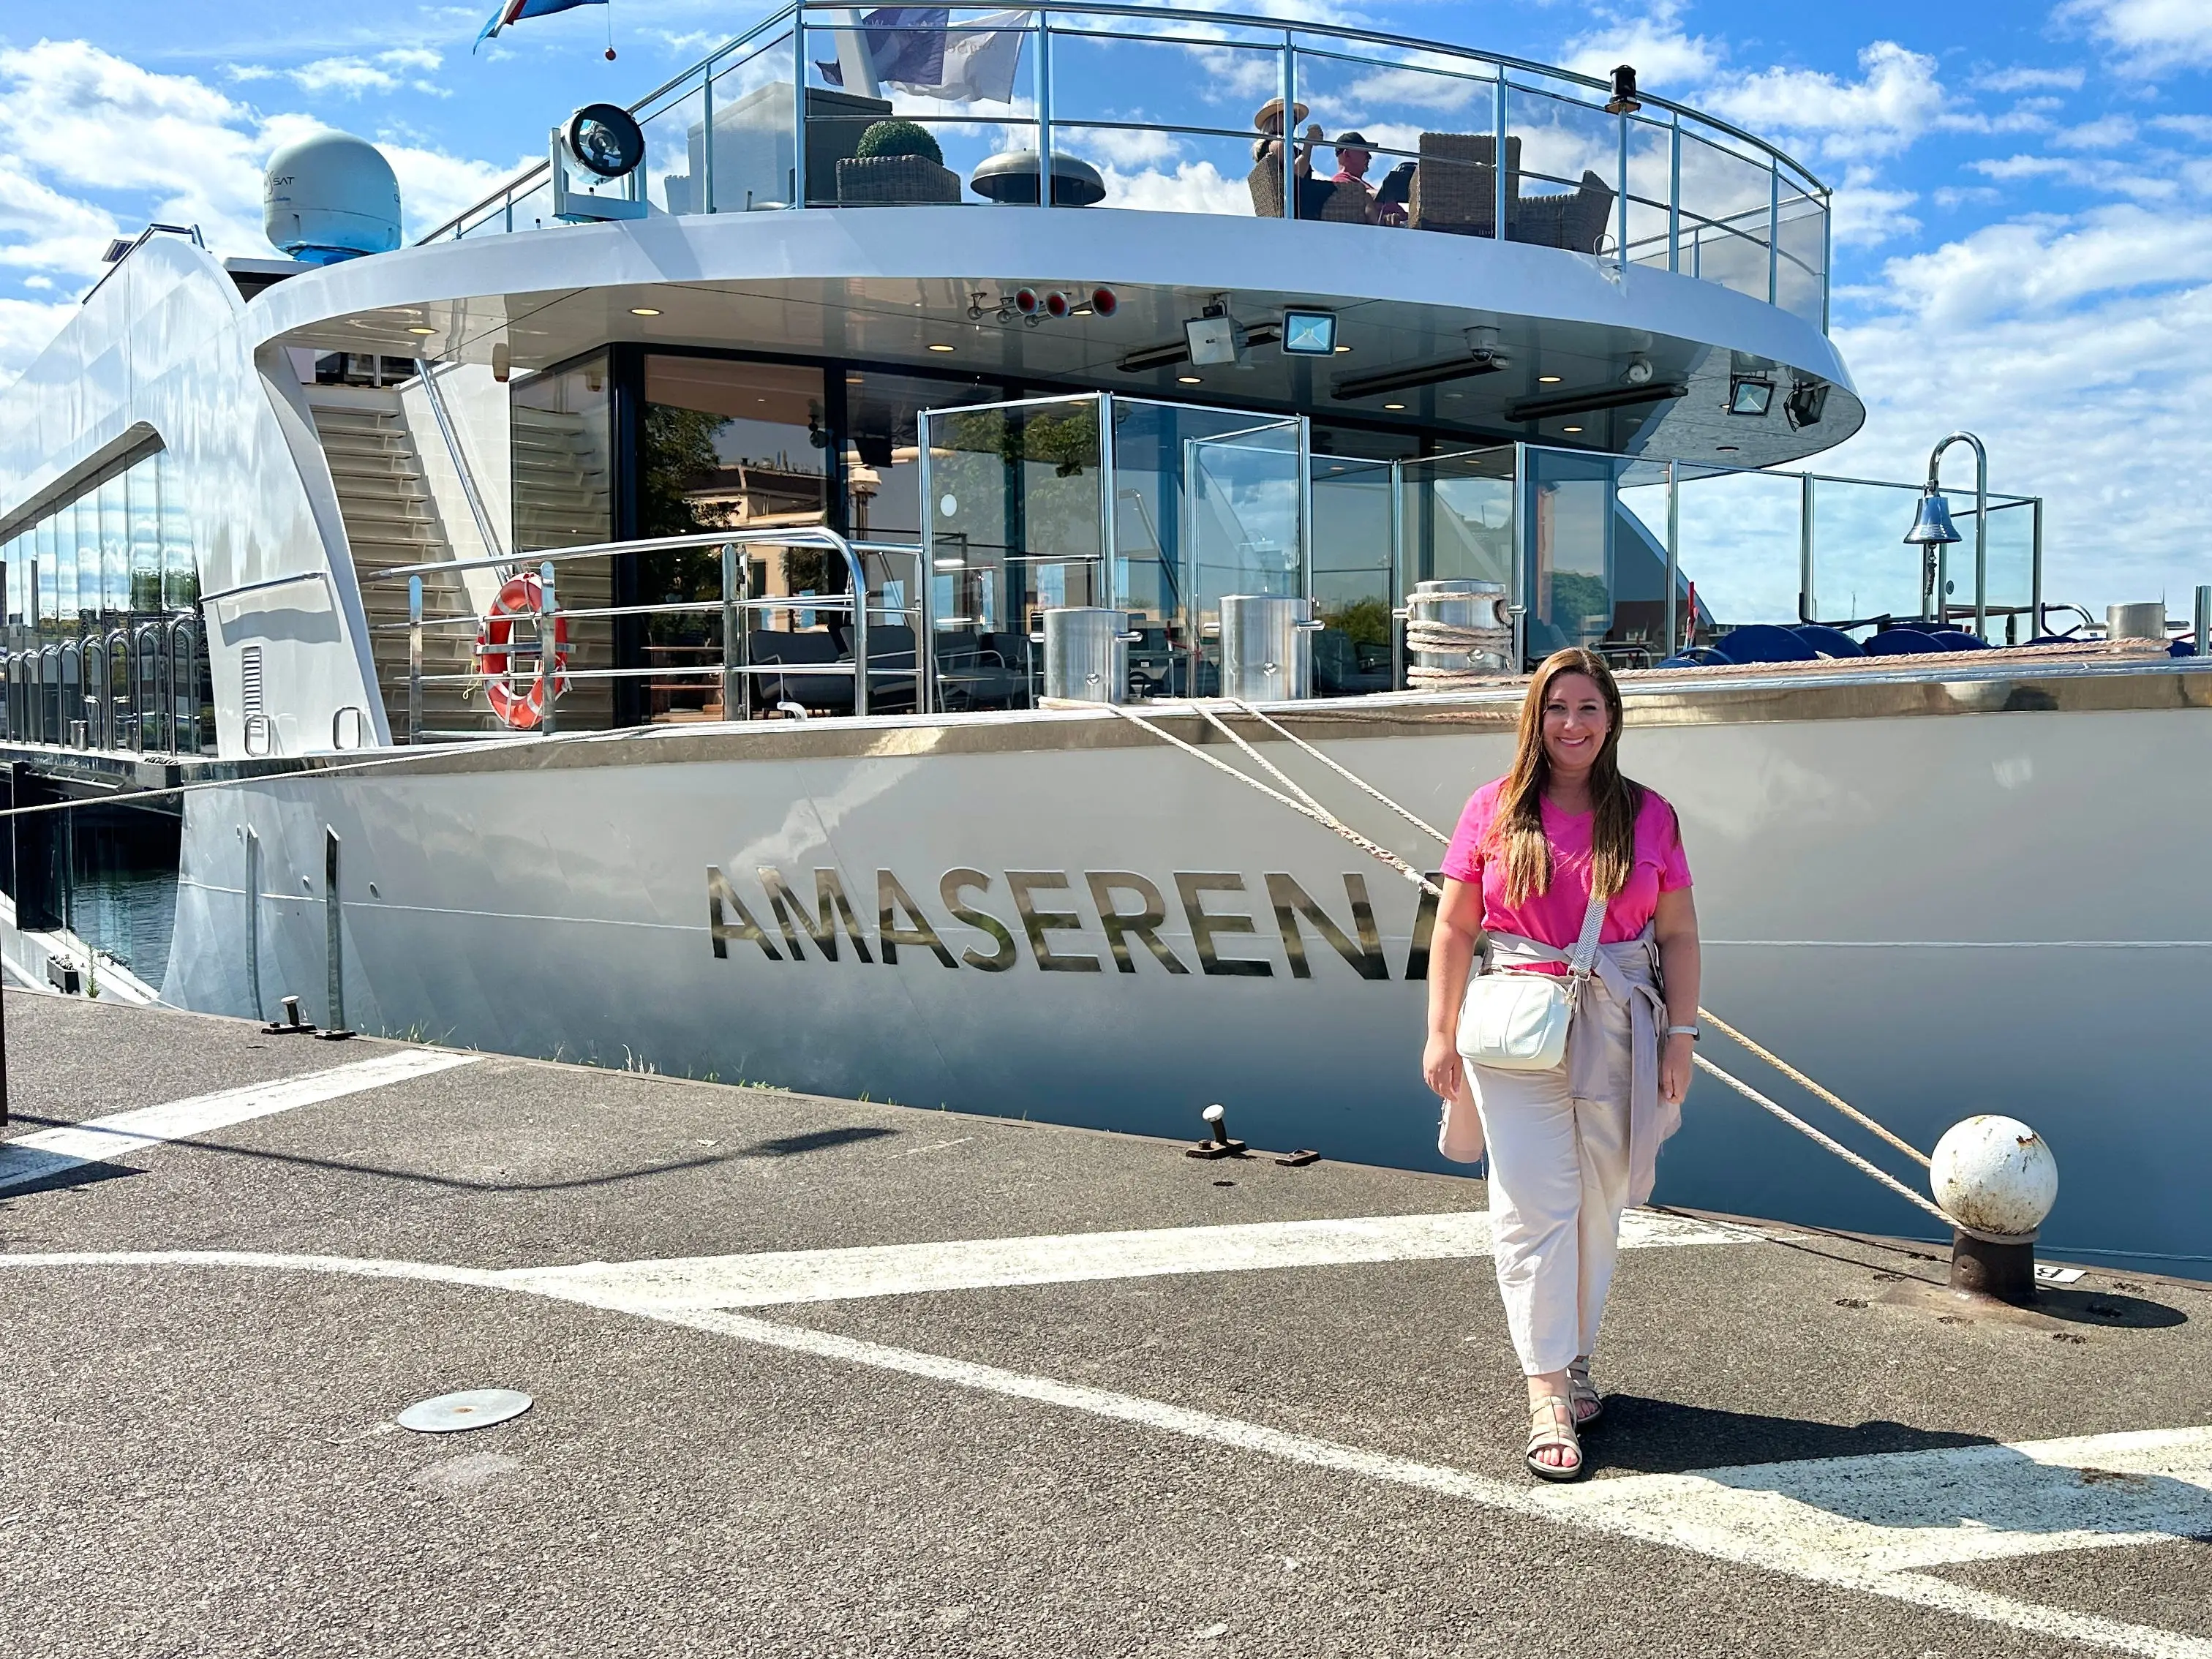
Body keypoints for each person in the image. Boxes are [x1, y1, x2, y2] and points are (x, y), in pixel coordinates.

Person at [1420, 647, 1701, 1482]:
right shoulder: (1494, 809)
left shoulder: (1650, 815)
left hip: (1620, 1023)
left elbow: (1679, 935)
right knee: (1534, 1203)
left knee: (1600, 1203)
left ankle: (1574, 1360)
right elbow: (1454, 930)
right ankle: (1547, 1387)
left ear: (1612, 718)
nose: (1572, 724)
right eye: (1556, 708)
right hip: (1516, 1024)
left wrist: (1682, 1038)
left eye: (1588, 708)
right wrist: (1439, 1033)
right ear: (1533, 720)